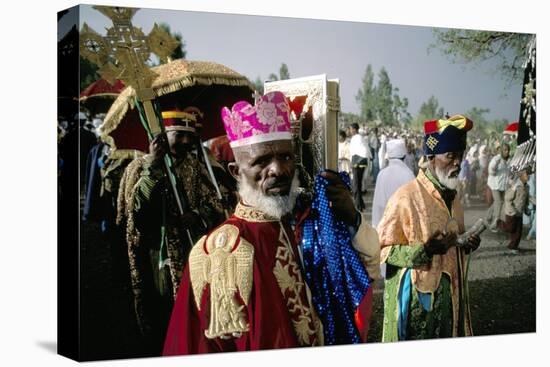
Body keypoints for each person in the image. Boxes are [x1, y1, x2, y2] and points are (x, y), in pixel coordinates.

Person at [163, 92, 381, 355]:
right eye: (262, 161)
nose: (279, 170)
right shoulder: (221, 252)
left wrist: (351, 218)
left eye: (286, 157)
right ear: (235, 171)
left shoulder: (287, 224)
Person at [117, 109, 225, 353]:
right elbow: (136, 211)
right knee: (161, 306)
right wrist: (154, 167)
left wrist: (196, 215)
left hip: (190, 248)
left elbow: (216, 204)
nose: (187, 142)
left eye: (190, 136)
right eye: (179, 135)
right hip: (157, 252)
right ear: (161, 137)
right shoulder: (138, 167)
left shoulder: (196, 167)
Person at [377, 115, 481, 342]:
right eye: (451, 156)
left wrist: (465, 244)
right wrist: (425, 250)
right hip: (418, 306)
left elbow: (455, 239)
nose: (457, 163)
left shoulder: (453, 198)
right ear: (432, 157)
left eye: (460, 156)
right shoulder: (406, 197)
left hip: (451, 302)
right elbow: (383, 249)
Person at [371, 138, 415, 228]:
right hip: (404, 226)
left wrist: (376, 227)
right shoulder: (409, 174)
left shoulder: (382, 174)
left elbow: (378, 205)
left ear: (389, 156)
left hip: (385, 225)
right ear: (404, 156)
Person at [497, 169, 530, 253]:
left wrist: (526, 208)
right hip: (511, 212)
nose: (528, 176)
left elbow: (526, 199)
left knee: (518, 232)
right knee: (510, 228)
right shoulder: (516, 186)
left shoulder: (527, 187)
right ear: (521, 176)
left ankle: (513, 247)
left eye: (528, 175)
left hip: (520, 212)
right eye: (526, 175)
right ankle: (498, 223)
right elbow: (507, 199)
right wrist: (512, 210)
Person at [486, 143, 510, 231]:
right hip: (495, 185)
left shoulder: (509, 160)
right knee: (499, 202)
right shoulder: (496, 159)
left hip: (503, 185)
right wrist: (495, 166)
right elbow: (491, 172)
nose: (507, 152)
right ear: (501, 151)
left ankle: (488, 217)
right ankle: (494, 223)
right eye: (505, 150)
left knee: (498, 202)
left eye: (508, 150)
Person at [349, 123, 371, 211]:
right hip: (361, 162)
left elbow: (354, 152)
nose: (350, 131)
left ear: (354, 129)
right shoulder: (360, 138)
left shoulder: (356, 138)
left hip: (357, 162)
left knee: (356, 185)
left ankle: (358, 205)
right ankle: (361, 203)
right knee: (358, 184)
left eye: (350, 129)